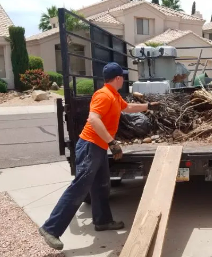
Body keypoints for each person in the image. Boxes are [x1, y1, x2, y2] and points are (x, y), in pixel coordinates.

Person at [39, 62, 160, 250]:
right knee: (80, 187)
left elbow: (127, 108)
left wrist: (148, 105)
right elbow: (93, 119)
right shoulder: (103, 95)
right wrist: (113, 142)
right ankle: (50, 228)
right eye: (123, 77)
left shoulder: (114, 95)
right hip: (90, 145)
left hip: (99, 146)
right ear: (118, 78)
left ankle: (103, 221)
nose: (124, 79)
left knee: (102, 184)